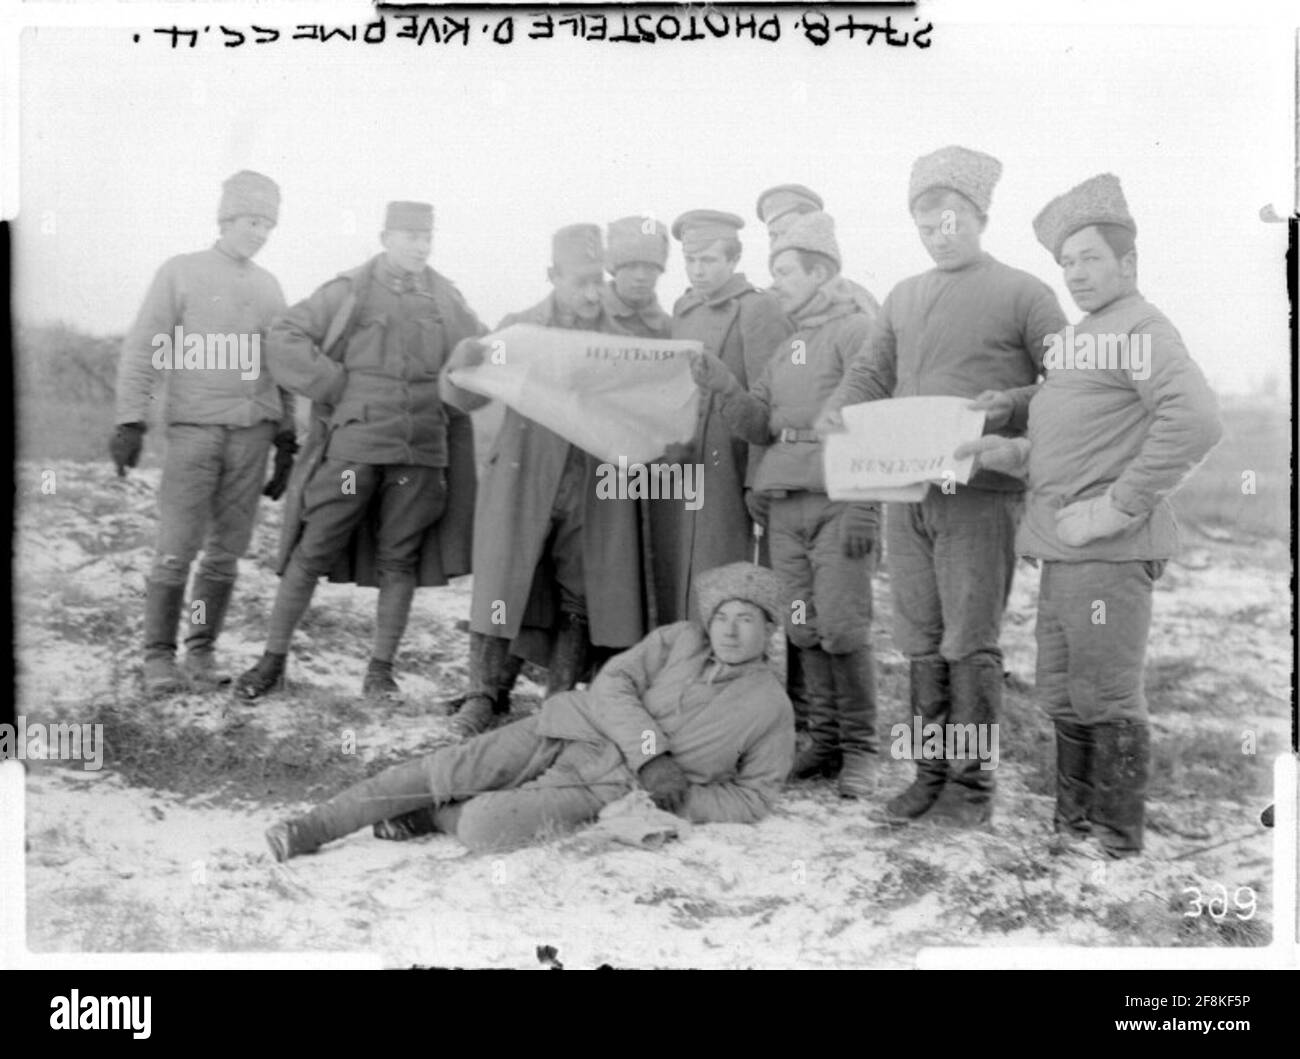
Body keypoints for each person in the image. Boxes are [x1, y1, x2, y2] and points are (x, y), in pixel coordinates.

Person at [956, 173, 1222, 857]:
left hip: (1106, 551)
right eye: (1066, 261)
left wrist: (1115, 507)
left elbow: (1194, 420)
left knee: (1105, 693)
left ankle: (1116, 836)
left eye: (1090, 258)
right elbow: (1065, 448)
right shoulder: (1084, 338)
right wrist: (1005, 451)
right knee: (1066, 693)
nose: (1074, 273)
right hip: (1063, 551)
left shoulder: (1140, 326)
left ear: (1128, 264)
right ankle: (1072, 824)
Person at [815, 146, 1069, 827]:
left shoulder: (1025, 293)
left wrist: (1008, 404)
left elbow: (1073, 382)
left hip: (980, 494)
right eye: (926, 221)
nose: (939, 232)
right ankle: (927, 776)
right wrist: (838, 405)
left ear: (980, 216)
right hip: (908, 494)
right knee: (920, 638)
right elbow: (871, 373)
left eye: (951, 217)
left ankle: (971, 787)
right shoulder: (903, 296)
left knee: (970, 640)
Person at [264, 562, 795, 860]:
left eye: (746, 619)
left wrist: (676, 798)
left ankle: (432, 817)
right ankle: (311, 829)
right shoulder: (678, 640)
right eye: (722, 616)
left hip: (604, 790)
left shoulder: (770, 706)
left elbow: (755, 797)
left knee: (483, 827)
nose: (729, 629)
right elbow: (613, 683)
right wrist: (651, 750)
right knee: (441, 769)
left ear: (769, 630)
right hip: (569, 728)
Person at [233, 201, 485, 701]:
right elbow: (285, 334)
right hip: (356, 448)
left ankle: (379, 672)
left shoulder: (445, 298)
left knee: (400, 561)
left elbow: (478, 356)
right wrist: (333, 385)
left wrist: (468, 386)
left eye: (426, 237)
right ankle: (272, 661)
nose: (419, 245)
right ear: (385, 237)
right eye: (409, 236)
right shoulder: (351, 288)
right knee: (312, 549)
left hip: (420, 453)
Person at [690, 212, 880, 798]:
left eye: (786, 271)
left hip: (839, 500)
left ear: (821, 272)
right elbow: (758, 426)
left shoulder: (857, 331)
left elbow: (874, 422)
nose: (777, 284)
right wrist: (721, 382)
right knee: (802, 626)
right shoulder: (790, 346)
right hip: (786, 507)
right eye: (773, 272)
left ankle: (860, 752)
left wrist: (866, 507)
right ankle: (822, 743)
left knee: (844, 626)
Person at [438, 224, 650, 737]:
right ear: (552, 275)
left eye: (598, 280)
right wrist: (459, 365)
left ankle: (560, 700)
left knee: (582, 591)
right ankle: (484, 695)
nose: (592, 292)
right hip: (523, 478)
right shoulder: (519, 331)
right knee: (502, 581)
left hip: (595, 486)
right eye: (580, 281)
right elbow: (465, 398)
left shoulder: (622, 341)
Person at [111, 170, 294, 696]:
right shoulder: (182, 272)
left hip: (251, 434)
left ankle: (201, 650)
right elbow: (145, 348)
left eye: (267, 224)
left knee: (225, 552)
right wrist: (130, 419)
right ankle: (157, 656)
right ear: (226, 218)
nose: (259, 232)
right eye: (251, 220)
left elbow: (281, 364)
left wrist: (287, 435)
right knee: (176, 548)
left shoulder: (269, 286)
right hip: (194, 430)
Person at [649, 210, 793, 625]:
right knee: (677, 569)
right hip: (683, 461)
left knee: (721, 571)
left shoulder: (758, 308)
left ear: (732, 260)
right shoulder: (684, 308)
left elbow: (771, 405)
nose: (698, 270)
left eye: (709, 260)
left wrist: (758, 482)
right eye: (690, 260)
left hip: (729, 466)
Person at [602, 215, 673, 339]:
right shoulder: (583, 319)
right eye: (631, 266)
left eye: (650, 267)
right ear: (614, 269)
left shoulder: (671, 329)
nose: (641, 276)